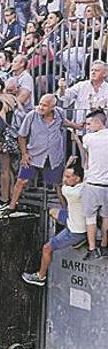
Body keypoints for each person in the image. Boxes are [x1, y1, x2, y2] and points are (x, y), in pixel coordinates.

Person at [23, 165, 87, 286]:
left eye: (69, 176)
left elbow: (61, 184)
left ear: (77, 178)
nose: (66, 179)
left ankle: (40, 276)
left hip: (75, 231)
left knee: (47, 248)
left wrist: (65, 169)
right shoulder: (85, 185)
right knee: (53, 211)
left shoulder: (71, 192)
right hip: (73, 218)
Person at [7, 94, 68, 212]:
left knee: (58, 184)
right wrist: (24, 154)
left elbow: (64, 122)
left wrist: (76, 126)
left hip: (53, 156)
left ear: (52, 107)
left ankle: (66, 209)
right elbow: (22, 135)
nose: (40, 107)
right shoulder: (32, 115)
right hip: (34, 155)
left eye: (44, 105)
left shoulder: (59, 113)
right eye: (40, 104)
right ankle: (12, 206)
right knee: (21, 180)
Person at [78, 109, 108, 260]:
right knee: (106, 217)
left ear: (98, 122)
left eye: (89, 124)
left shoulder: (89, 138)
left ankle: (92, 248)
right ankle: (104, 245)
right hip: (107, 185)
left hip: (93, 183)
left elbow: (87, 156)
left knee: (90, 218)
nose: (87, 127)